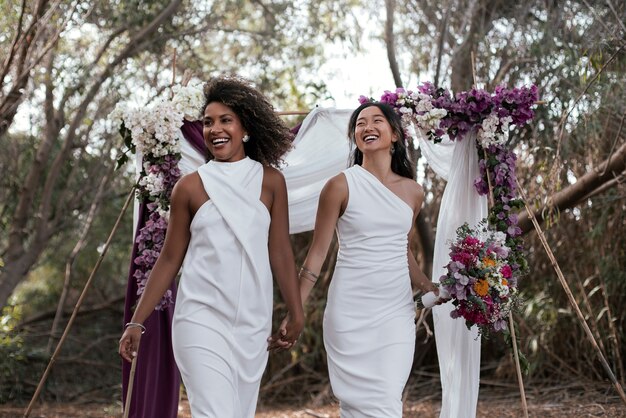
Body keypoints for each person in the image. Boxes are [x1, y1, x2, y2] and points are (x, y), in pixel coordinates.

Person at [119, 75, 304, 417]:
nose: (214, 129)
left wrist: (296, 311)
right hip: (199, 317)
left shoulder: (271, 181)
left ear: (245, 127)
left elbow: (280, 251)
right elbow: (170, 259)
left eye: (225, 120)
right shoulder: (189, 187)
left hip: (252, 321)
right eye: (207, 122)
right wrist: (137, 321)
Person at [270, 101, 441, 417]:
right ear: (355, 136)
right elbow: (316, 255)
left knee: (387, 399)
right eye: (360, 123)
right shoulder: (339, 185)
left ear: (394, 135)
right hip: (349, 311)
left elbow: (401, 249)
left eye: (377, 121)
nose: (367, 127)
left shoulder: (413, 192)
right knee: (358, 405)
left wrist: (427, 285)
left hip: (395, 311)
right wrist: (295, 311)